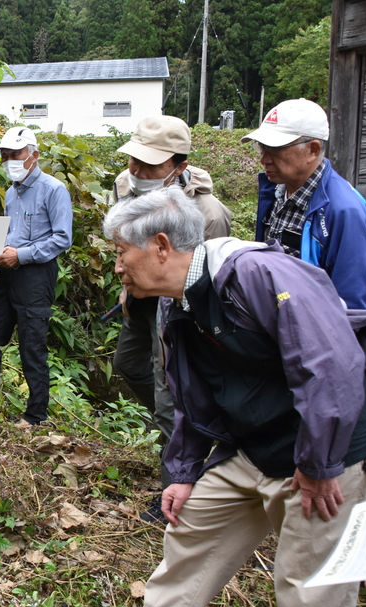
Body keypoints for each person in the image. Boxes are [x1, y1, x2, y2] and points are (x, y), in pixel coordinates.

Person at [102, 188, 366, 607]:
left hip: (331, 449)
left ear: (160, 246)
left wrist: (319, 464)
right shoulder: (179, 301)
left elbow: (331, 366)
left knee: (309, 583)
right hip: (255, 444)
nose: (117, 267)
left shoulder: (258, 273)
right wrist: (184, 469)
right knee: (194, 524)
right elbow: (193, 395)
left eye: (121, 253)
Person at [109, 116, 232, 520]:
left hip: (178, 312)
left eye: (151, 165)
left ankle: (175, 494)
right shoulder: (125, 189)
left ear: (178, 165)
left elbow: (211, 273)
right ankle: (187, 431)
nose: (139, 172)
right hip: (140, 299)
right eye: (134, 162)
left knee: (170, 395)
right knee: (126, 364)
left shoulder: (206, 210)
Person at [0, 126, 72, 427]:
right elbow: (11, 234)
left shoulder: (53, 190)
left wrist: (22, 255)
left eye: (14, 154)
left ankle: (35, 415)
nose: (9, 161)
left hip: (36, 275)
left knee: (32, 347)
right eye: (4, 156)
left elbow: (62, 239)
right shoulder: (11, 193)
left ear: (33, 155)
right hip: (8, 274)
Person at [244, 98, 366, 310]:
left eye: (274, 149)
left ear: (313, 150)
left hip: (312, 335)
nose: (264, 158)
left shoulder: (344, 210)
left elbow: (354, 305)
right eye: (261, 147)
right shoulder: (277, 190)